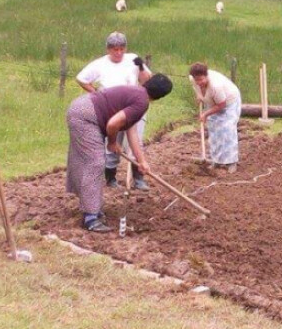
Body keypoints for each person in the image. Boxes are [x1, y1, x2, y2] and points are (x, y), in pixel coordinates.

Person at [66, 74, 173, 232]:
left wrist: (142, 161)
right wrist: (112, 142)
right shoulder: (141, 101)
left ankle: (90, 204)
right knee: (95, 163)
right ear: (161, 96)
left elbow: (132, 133)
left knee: (86, 160)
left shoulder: (137, 93)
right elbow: (113, 123)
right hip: (86, 117)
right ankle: (90, 217)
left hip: (81, 108)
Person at [76, 31, 152, 191]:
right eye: (114, 49)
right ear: (108, 49)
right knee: (112, 144)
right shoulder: (99, 64)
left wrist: (140, 66)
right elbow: (81, 78)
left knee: (135, 143)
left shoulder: (133, 59)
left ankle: (138, 179)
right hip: (113, 109)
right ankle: (110, 178)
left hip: (134, 107)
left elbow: (146, 80)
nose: (118, 53)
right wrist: (96, 93)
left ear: (125, 48)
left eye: (121, 49)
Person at [190, 63, 242, 172]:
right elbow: (198, 90)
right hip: (213, 102)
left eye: (201, 79)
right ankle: (217, 160)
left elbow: (221, 105)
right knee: (214, 130)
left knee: (227, 129)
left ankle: (231, 162)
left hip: (229, 102)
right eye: (197, 80)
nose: (199, 82)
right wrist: (200, 96)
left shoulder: (216, 86)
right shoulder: (192, 79)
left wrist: (205, 114)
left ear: (206, 75)